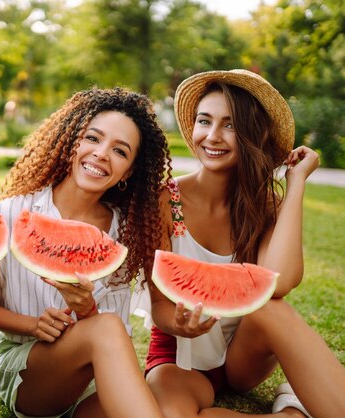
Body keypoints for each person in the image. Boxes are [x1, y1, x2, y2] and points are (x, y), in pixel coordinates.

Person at [143, 69, 345, 417]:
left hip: (244, 355)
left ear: (253, 134)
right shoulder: (164, 202)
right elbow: (161, 304)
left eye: (231, 125)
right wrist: (181, 325)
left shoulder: (266, 206)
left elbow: (279, 281)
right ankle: (291, 413)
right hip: (181, 353)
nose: (213, 136)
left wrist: (295, 183)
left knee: (270, 306)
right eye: (205, 121)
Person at [0, 87, 171, 418]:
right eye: (93, 138)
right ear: (73, 142)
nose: (101, 154)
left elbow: (113, 343)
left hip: (90, 380)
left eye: (120, 151)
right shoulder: (12, 213)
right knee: (107, 326)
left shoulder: (124, 235)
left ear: (127, 172)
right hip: (28, 371)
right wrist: (32, 325)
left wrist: (86, 310)